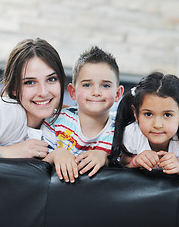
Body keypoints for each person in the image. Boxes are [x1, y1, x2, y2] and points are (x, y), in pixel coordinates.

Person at [0, 38, 66, 159]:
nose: (43, 92)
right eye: (30, 82)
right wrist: (3, 151)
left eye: (51, 79)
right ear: (14, 89)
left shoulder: (63, 118)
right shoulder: (5, 114)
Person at [109, 72, 179, 180]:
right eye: (148, 114)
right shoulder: (132, 133)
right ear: (136, 113)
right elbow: (123, 163)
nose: (157, 125)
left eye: (167, 115)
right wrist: (136, 160)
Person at [42, 46, 124, 183]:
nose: (96, 92)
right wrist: (57, 154)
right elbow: (34, 167)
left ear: (118, 94)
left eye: (105, 85)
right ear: (73, 92)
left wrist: (106, 158)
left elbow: (129, 166)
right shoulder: (57, 121)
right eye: (87, 85)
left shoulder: (121, 131)